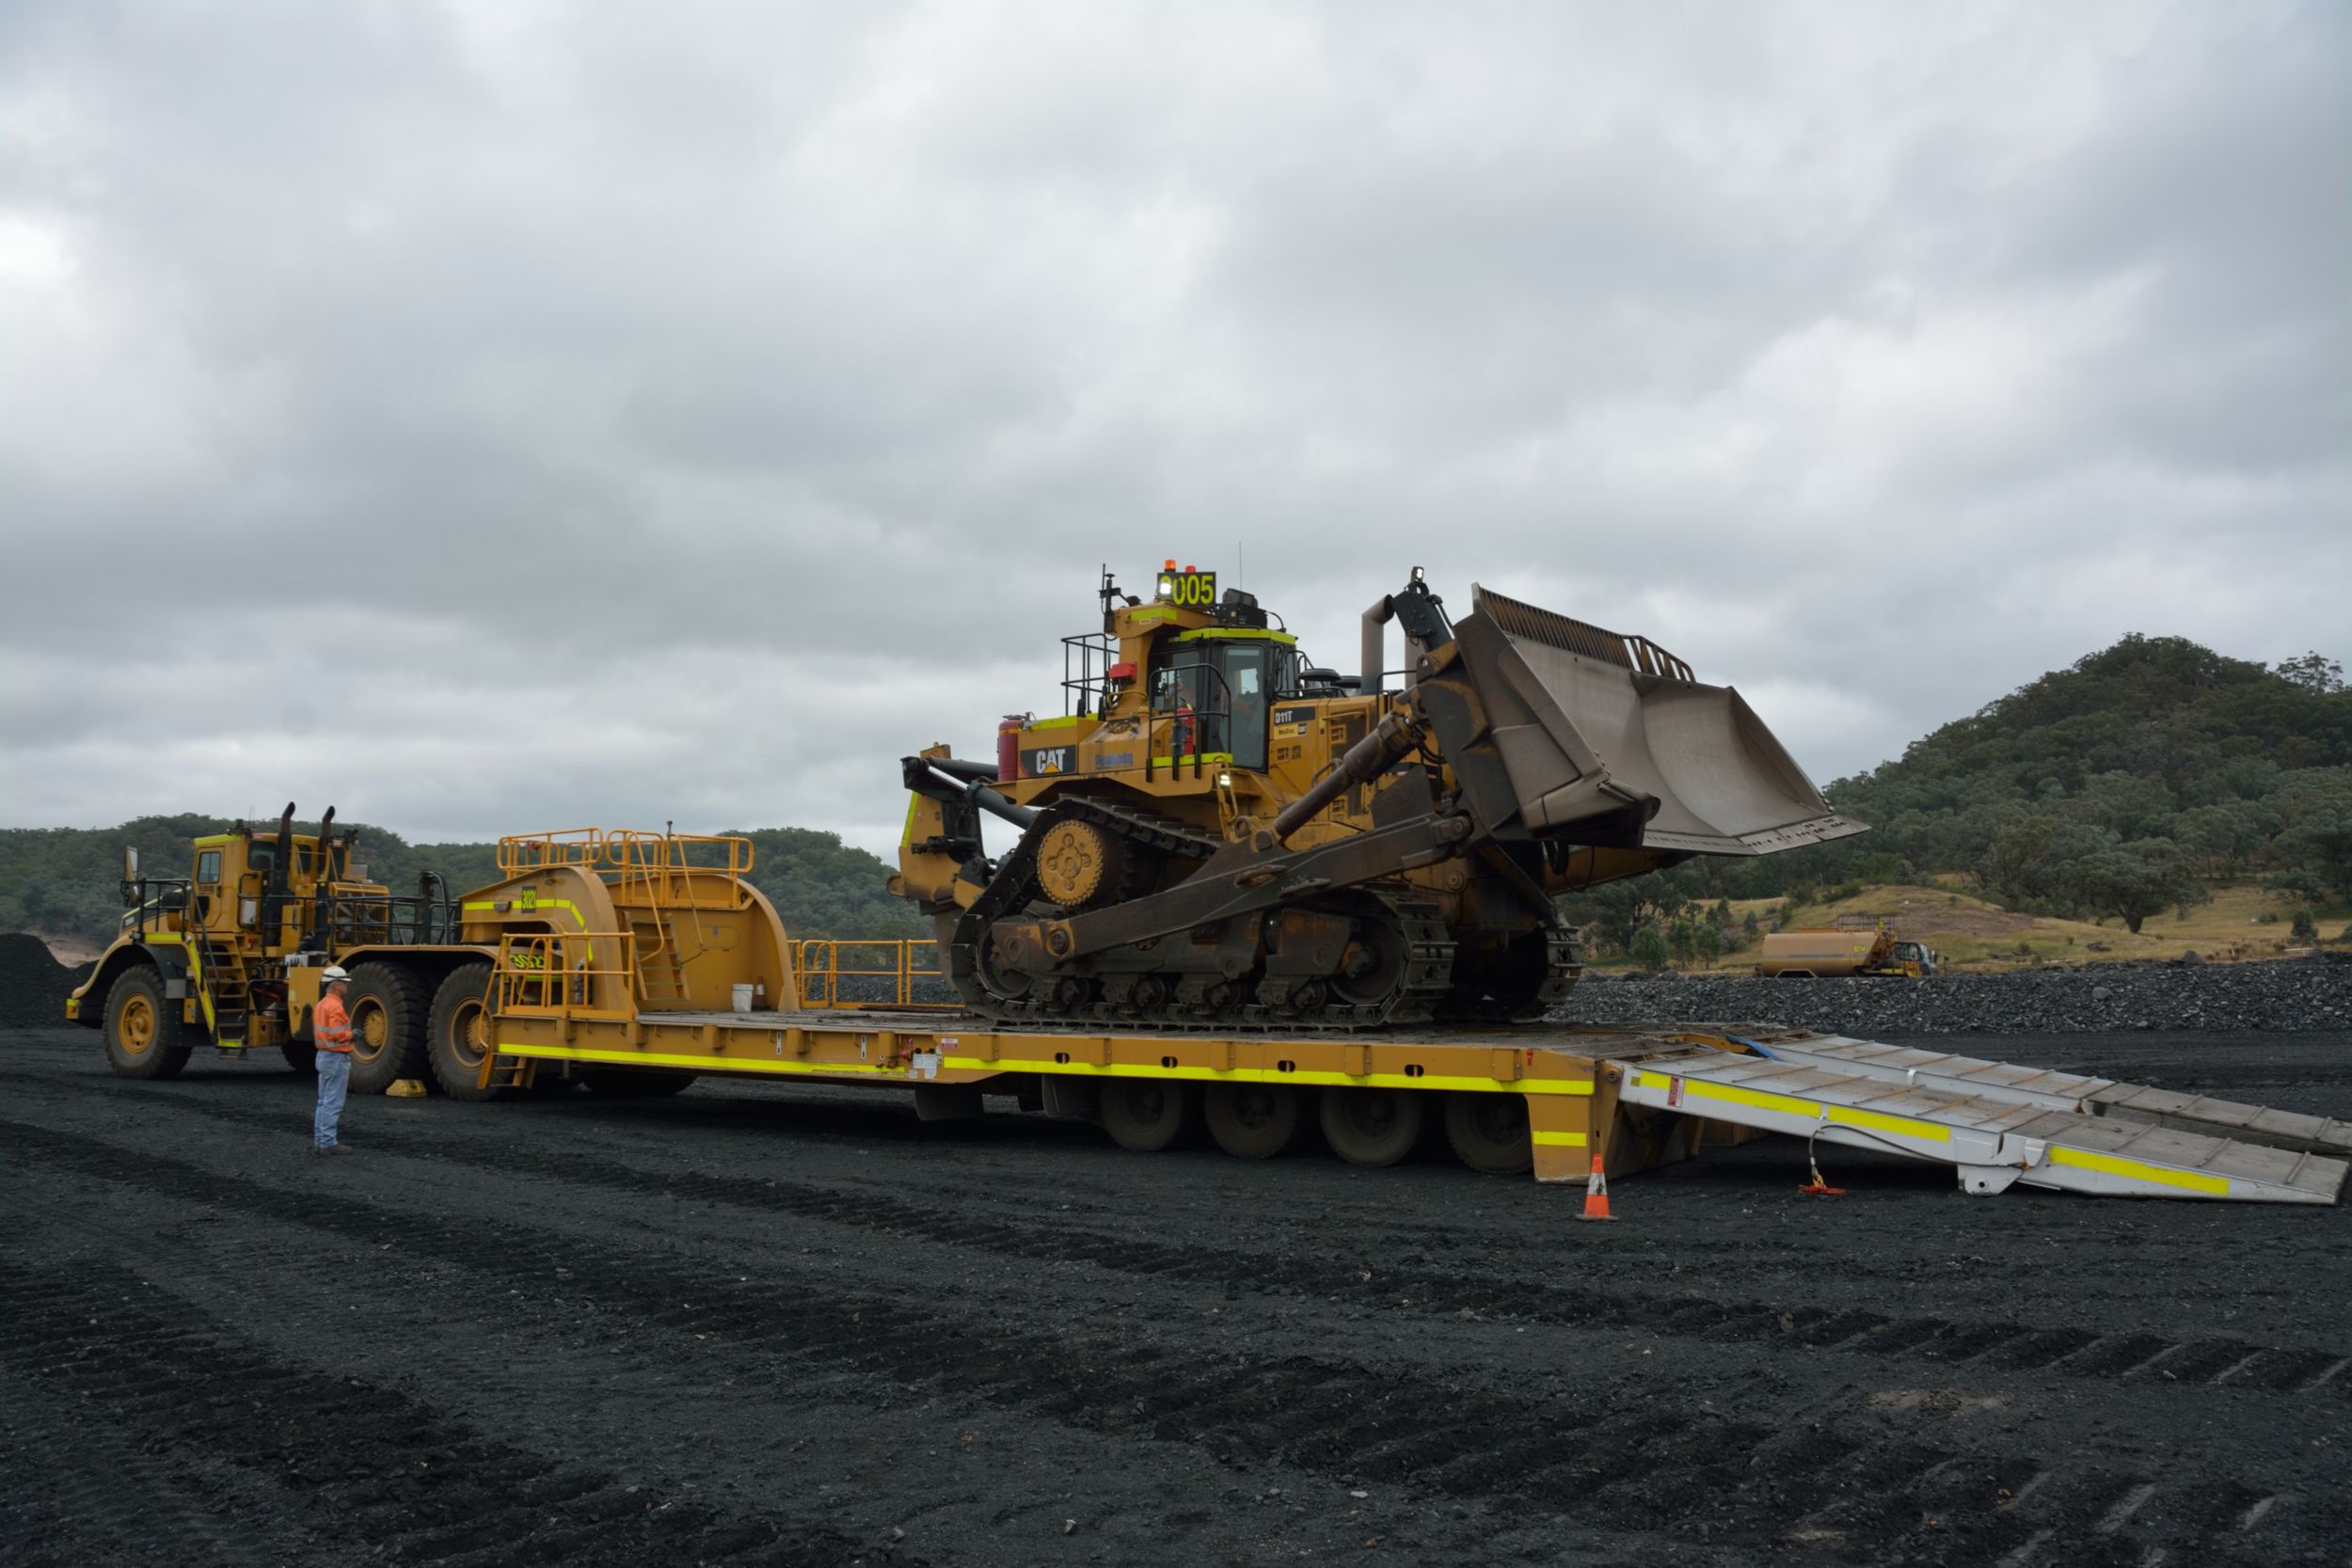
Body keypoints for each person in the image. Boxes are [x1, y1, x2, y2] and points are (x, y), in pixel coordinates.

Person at [312, 965, 357, 1155]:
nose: (347, 986)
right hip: (336, 1057)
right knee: (333, 1102)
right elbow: (338, 1035)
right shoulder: (335, 1006)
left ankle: (321, 1141)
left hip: (323, 1056)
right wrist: (353, 1034)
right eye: (344, 982)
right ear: (336, 984)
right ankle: (328, 1143)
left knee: (323, 1101)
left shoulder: (322, 1004)